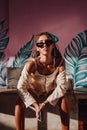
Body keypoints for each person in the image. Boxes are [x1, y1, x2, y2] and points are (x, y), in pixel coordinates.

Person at [15, 32, 70, 130]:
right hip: (35, 90)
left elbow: (62, 87)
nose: (45, 45)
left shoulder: (60, 62)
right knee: (19, 103)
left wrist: (44, 103)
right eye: (40, 44)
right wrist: (36, 105)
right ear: (37, 48)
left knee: (63, 99)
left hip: (50, 90)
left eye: (48, 42)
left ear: (53, 45)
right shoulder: (32, 64)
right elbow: (20, 87)